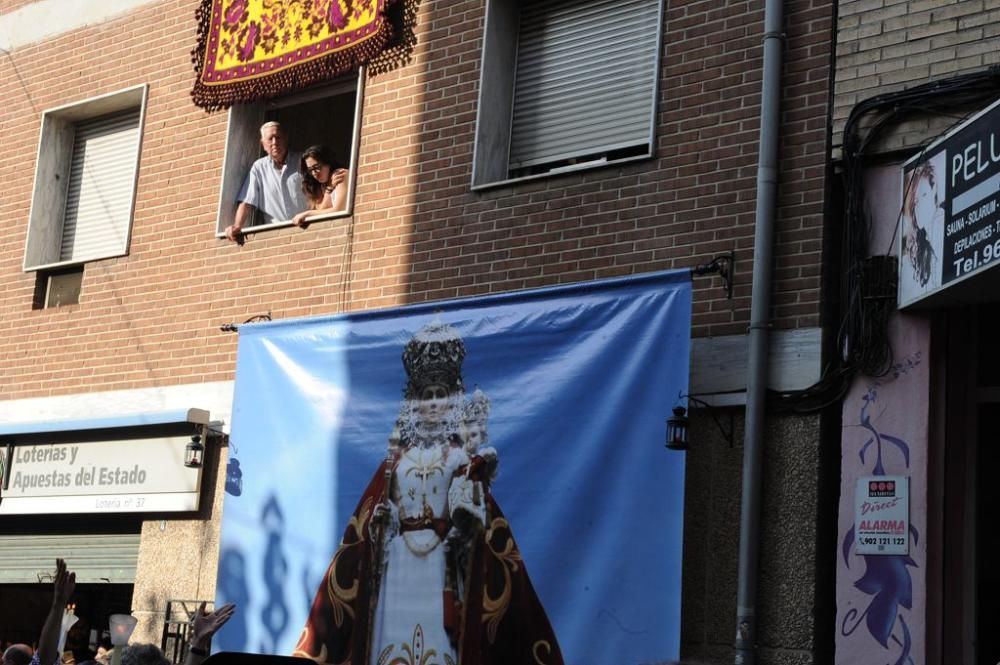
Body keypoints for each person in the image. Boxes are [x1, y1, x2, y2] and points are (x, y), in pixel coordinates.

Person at [295, 320, 563, 665]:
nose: (434, 404)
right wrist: (383, 524)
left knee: (440, 646)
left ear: (452, 401)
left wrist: (469, 513)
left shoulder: (460, 458)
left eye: (441, 395)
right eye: (427, 396)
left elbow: (480, 524)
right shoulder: (394, 463)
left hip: (441, 568)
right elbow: (370, 523)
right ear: (414, 402)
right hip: (397, 570)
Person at [225, 121, 308, 242]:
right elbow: (247, 202)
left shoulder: (303, 161)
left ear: (286, 138)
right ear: (263, 144)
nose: (275, 142)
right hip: (276, 235)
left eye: (278, 137)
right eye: (270, 139)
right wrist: (237, 225)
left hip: (307, 228)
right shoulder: (259, 168)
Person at [900, 160, 944, 300]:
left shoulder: (943, 225)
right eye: (916, 202)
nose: (919, 208)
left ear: (934, 190)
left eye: (924, 195)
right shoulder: (919, 244)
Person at [291, 145, 349, 228]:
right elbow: (321, 211)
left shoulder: (340, 174)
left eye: (317, 167)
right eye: (310, 170)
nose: (314, 173)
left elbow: (339, 210)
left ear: (328, 162)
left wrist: (307, 214)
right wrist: (329, 189)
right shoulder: (320, 185)